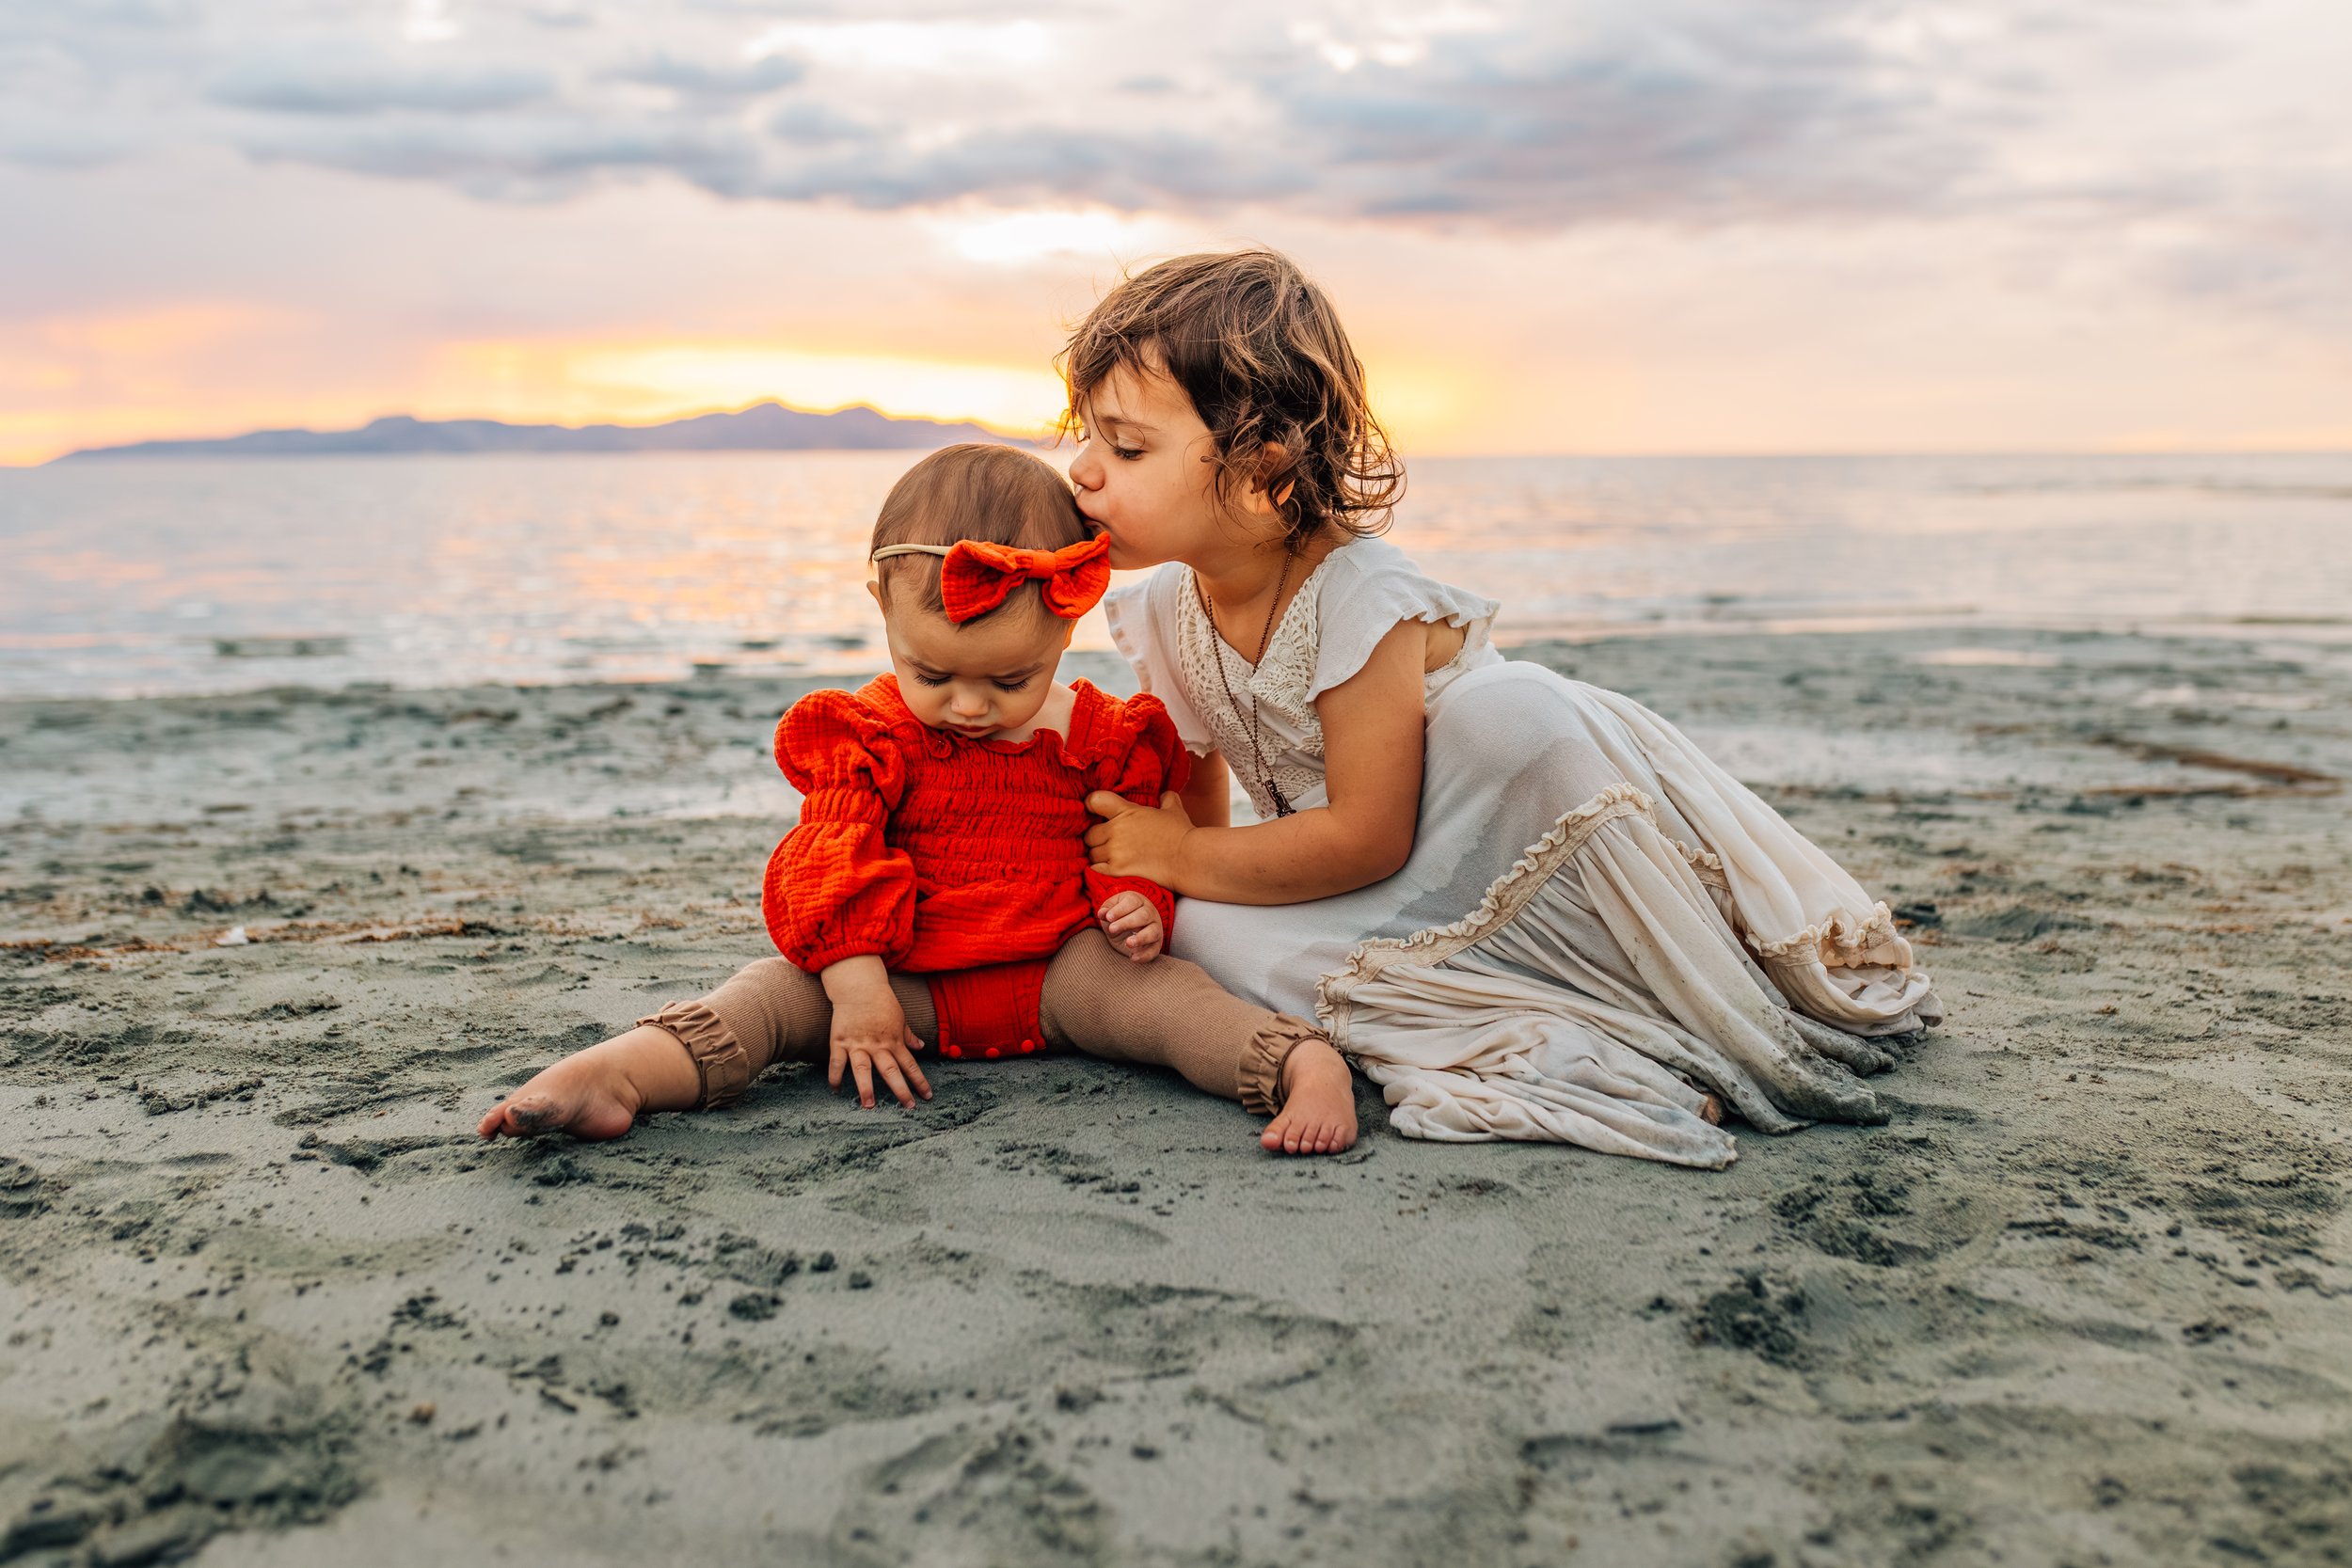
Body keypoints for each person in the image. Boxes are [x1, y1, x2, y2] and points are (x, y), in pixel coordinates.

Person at [1070, 250, 1941, 1168]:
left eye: (1125, 447)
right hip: (1373, 881)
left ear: (1263, 467)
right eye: (1085, 437)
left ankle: (1602, 1002)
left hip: (1505, 836)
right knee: (1191, 929)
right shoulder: (1163, 606)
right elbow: (1202, 816)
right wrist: (1165, 874)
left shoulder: (1354, 593)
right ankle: (1495, 1008)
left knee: (1510, 707)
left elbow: (1367, 834)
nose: (1083, 471)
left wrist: (1182, 852)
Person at [479, 443, 1359, 1155]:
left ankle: (1294, 1062)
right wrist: (860, 989)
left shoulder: (1103, 737)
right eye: (931, 672)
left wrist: (1135, 905)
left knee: (1171, 1000)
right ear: (881, 609)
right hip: (901, 980)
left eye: (1010, 679)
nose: (969, 706)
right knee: (769, 999)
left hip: (1060, 971)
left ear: (1067, 624)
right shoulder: (873, 735)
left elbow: (1128, 846)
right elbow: (828, 862)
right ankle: (621, 1071)